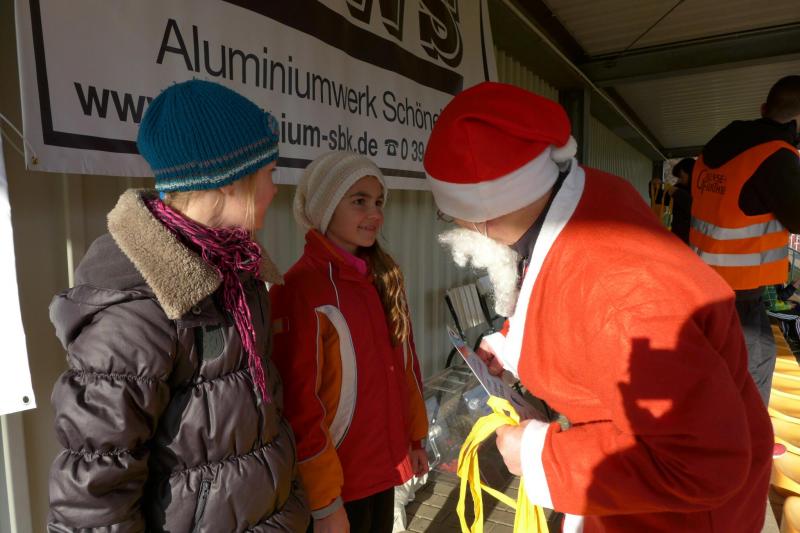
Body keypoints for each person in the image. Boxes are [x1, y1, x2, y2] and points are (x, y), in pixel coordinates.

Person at [424, 81, 772, 532]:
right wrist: (511, 347)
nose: (453, 225)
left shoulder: (617, 292)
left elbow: (704, 461)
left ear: (482, 213)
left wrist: (538, 455)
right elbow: (557, 292)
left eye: (449, 214)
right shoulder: (584, 198)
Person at [47, 80, 309, 531]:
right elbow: (94, 492)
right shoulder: (137, 312)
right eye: (270, 171)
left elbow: (266, 427)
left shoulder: (237, 274)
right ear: (229, 181)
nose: (275, 188)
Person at [270, 151, 429, 533]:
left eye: (378, 202)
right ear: (325, 208)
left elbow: (406, 366)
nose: (375, 214)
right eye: (359, 201)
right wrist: (324, 502)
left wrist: (415, 438)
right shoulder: (300, 289)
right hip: (338, 486)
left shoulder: (384, 278)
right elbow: (300, 406)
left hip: (382, 468)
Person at [690, 75, 800, 404]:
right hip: (739, 292)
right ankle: (743, 435)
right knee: (751, 374)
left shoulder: (713, 151)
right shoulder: (775, 155)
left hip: (704, 280)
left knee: (729, 367)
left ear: (764, 109)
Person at [668, 157, 694, 244]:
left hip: (690, 239)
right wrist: (655, 185)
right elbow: (660, 199)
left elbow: (694, 208)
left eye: (681, 177)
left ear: (691, 174)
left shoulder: (700, 191)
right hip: (676, 236)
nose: (679, 180)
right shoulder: (679, 187)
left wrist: (678, 194)